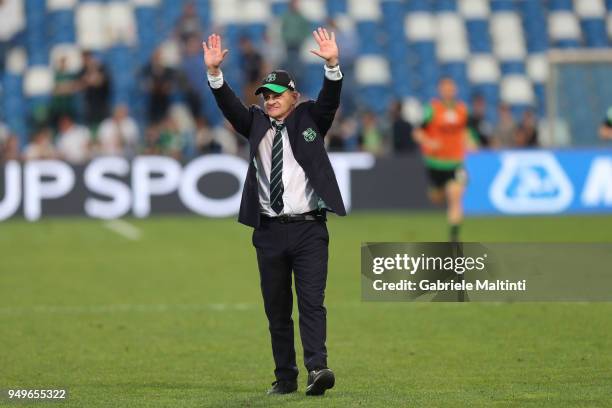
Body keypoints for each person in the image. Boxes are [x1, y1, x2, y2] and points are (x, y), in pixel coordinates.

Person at [203, 28, 343, 396]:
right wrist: (215, 75)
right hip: (268, 231)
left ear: (294, 96)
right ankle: (285, 378)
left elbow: (330, 100)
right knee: (277, 311)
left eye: (277, 94)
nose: (270, 100)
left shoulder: (311, 118)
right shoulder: (255, 124)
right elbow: (229, 105)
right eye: (265, 95)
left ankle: (317, 369)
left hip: (310, 229)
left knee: (312, 303)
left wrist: (332, 64)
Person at [413, 77, 475, 242]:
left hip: (456, 162)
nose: (448, 91)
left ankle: (454, 237)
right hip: (435, 163)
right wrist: (429, 142)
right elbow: (418, 132)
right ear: (440, 90)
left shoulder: (462, 110)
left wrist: (471, 141)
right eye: (445, 88)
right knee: (437, 198)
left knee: (455, 197)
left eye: (451, 88)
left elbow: (466, 131)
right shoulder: (431, 109)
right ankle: (437, 190)